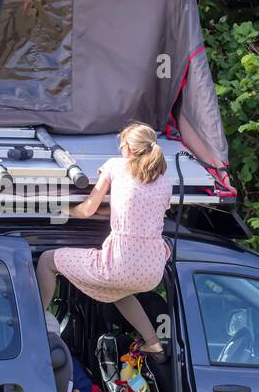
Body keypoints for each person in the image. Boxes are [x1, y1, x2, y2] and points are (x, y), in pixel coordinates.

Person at [37, 122, 172, 357]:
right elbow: (141, 211)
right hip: (151, 271)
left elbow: (88, 209)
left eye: (121, 146)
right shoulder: (165, 182)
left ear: (129, 149)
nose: (120, 150)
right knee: (119, 292)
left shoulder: (116, 167)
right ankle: (153, 342)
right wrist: (107, 213)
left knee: (48, 261)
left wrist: (64, 209)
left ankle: (35, 324)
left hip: (121, 263)